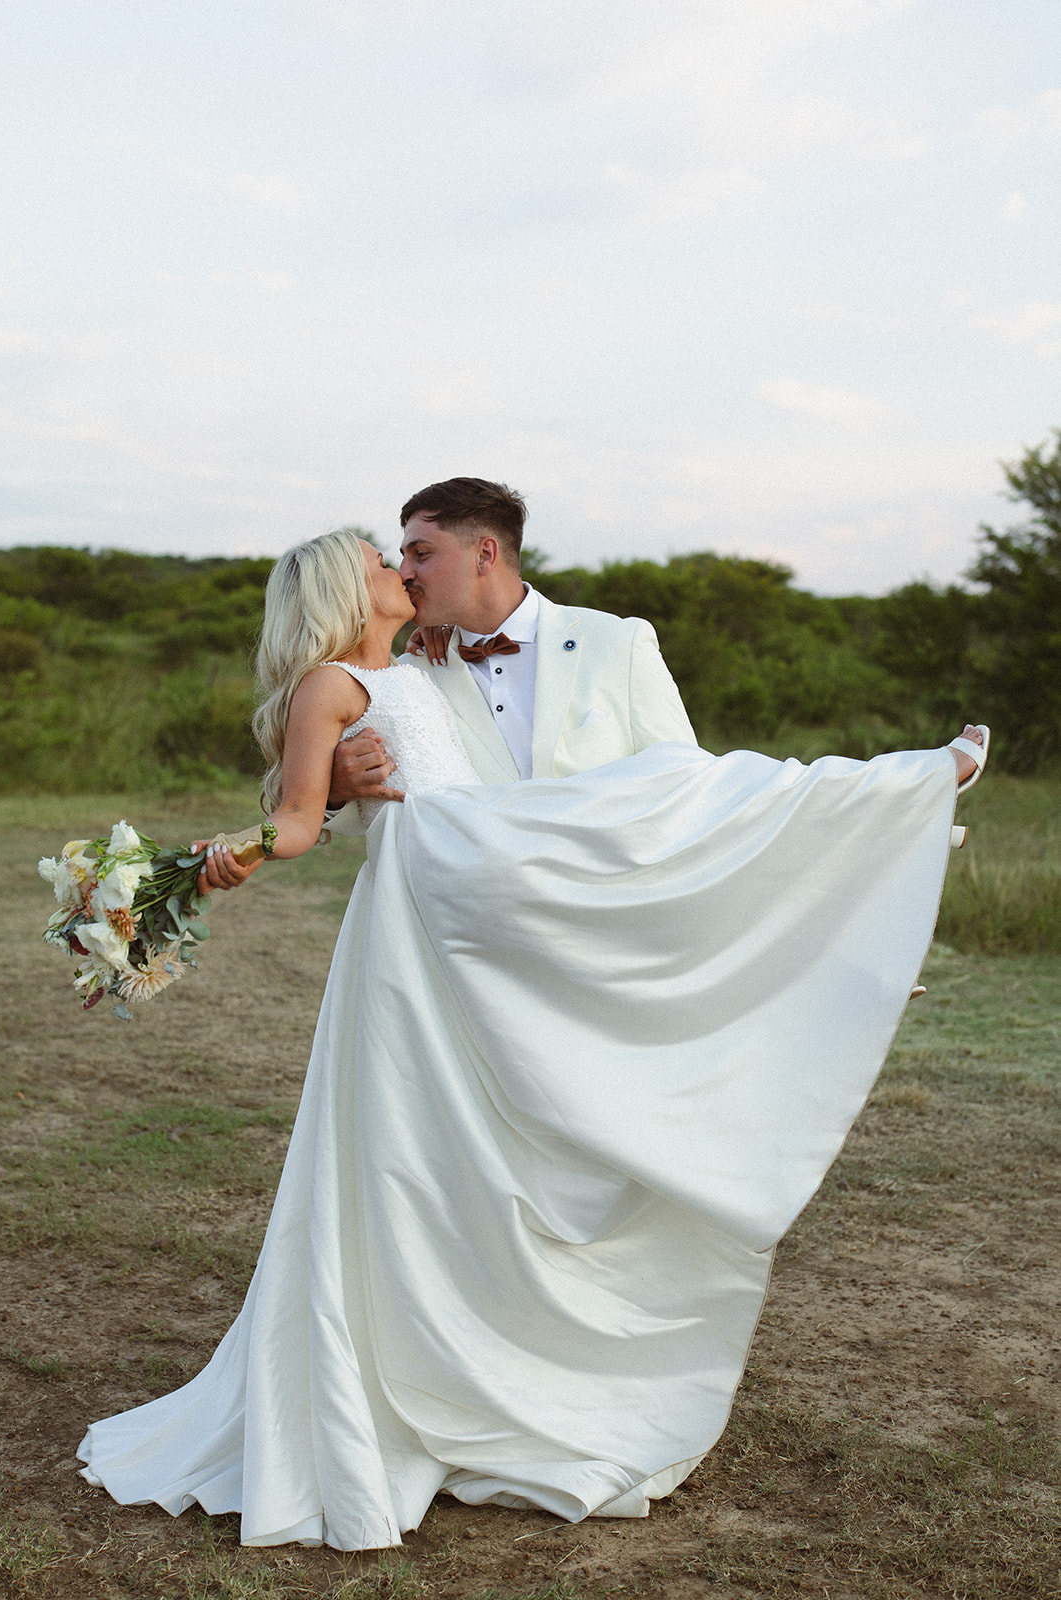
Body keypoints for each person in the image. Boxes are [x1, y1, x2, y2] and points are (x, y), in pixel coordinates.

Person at [78, 528, 988, 1552]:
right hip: (440, 889)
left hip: (484, 866)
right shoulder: (326, 686)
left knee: (656, 797)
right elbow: (293, 823)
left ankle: (854, 866)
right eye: (386, 562)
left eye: (407, 555)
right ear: (348, 587)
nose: (402, 571)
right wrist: (186, 872)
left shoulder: (422, 662)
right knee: (624, 835)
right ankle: (847, 878)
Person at [324, 477, 697, 818]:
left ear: (485, 555)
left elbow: (686, 777)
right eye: (403, 557)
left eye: (421, 554)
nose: (404, 572)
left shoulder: (619, 644)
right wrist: (336, 791)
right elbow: (383, 806)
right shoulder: (411, 675)